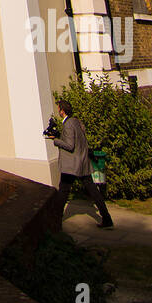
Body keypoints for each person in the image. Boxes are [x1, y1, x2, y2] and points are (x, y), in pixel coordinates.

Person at [50, 98, 113, 228]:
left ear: (62, 111)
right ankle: (107, 218)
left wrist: (55, 140)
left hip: (72, 165)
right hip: (82, 162)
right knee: (93, 191)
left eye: (59, 109)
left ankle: (55, 221)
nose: (58, 111)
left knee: (63, 192)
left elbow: (70, 145)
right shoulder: (77, 122)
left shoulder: (67, 125)